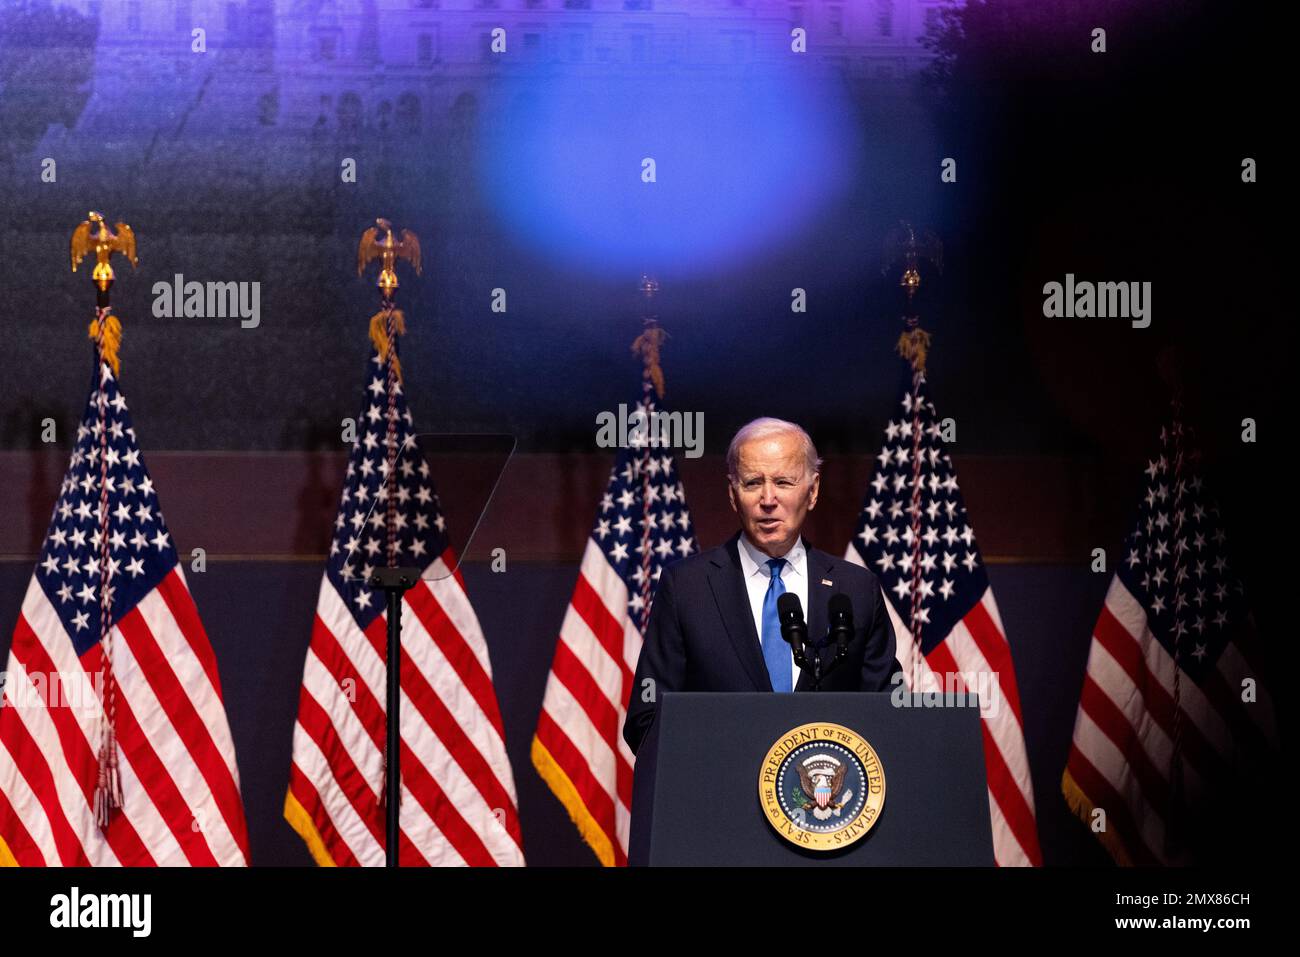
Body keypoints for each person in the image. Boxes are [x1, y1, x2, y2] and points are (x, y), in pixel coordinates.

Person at [622, 417, 899, 755]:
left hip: (826, 798)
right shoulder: (686, 588)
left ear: (812, 492)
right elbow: (646, 719)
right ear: (732, 494)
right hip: (719, 798)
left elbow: (889, 716)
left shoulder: (856, 590)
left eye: (783, 482)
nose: (768, 499)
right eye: (753, 483)